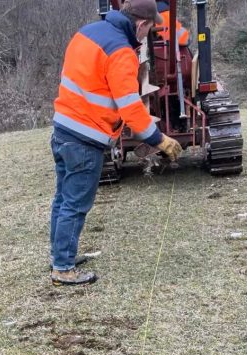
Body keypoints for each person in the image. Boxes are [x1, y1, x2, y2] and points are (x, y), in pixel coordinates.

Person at [50, 0, 183, 286]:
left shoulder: (87, 32)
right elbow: (130, 107)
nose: (147, 36)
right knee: (75, 204)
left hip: (62, 129)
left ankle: (60, 256)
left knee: (63, 199)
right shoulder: (121, 51)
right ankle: (62, 268)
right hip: (85, 138)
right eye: (149, 29)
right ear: (141, 23)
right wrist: (159, 139)